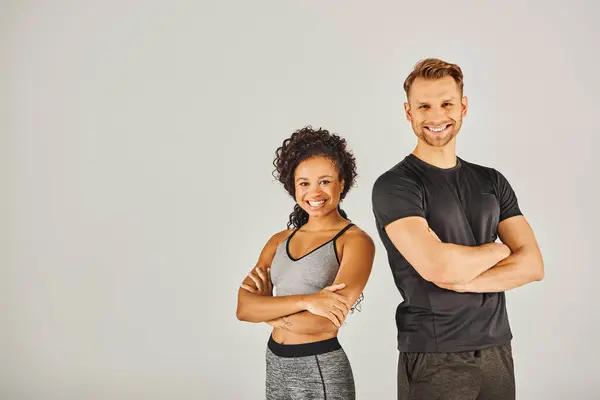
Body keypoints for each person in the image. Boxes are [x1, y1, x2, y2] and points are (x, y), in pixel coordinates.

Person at [371, 58, 544, 400]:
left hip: (496, 348)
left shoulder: (492, 181)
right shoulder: (396, 185)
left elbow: (533, 265)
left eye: (447, 103)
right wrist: (498, 249)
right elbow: (439, 266)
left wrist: (463, 279)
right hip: (435, 354)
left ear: (463, 106)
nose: (437, 116)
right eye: (424, 106)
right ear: (409, 113)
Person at [237, 126, 375, 400]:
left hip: (319, 367)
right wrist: (308, 301)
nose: (314, 192)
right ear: (293, 187)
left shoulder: (355, 241)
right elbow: (243, 308)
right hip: (275, 362)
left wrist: (268, 312)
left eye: (325, 181)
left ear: (342, 183)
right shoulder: (278, 241)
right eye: (304, 183)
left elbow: (323, 325)